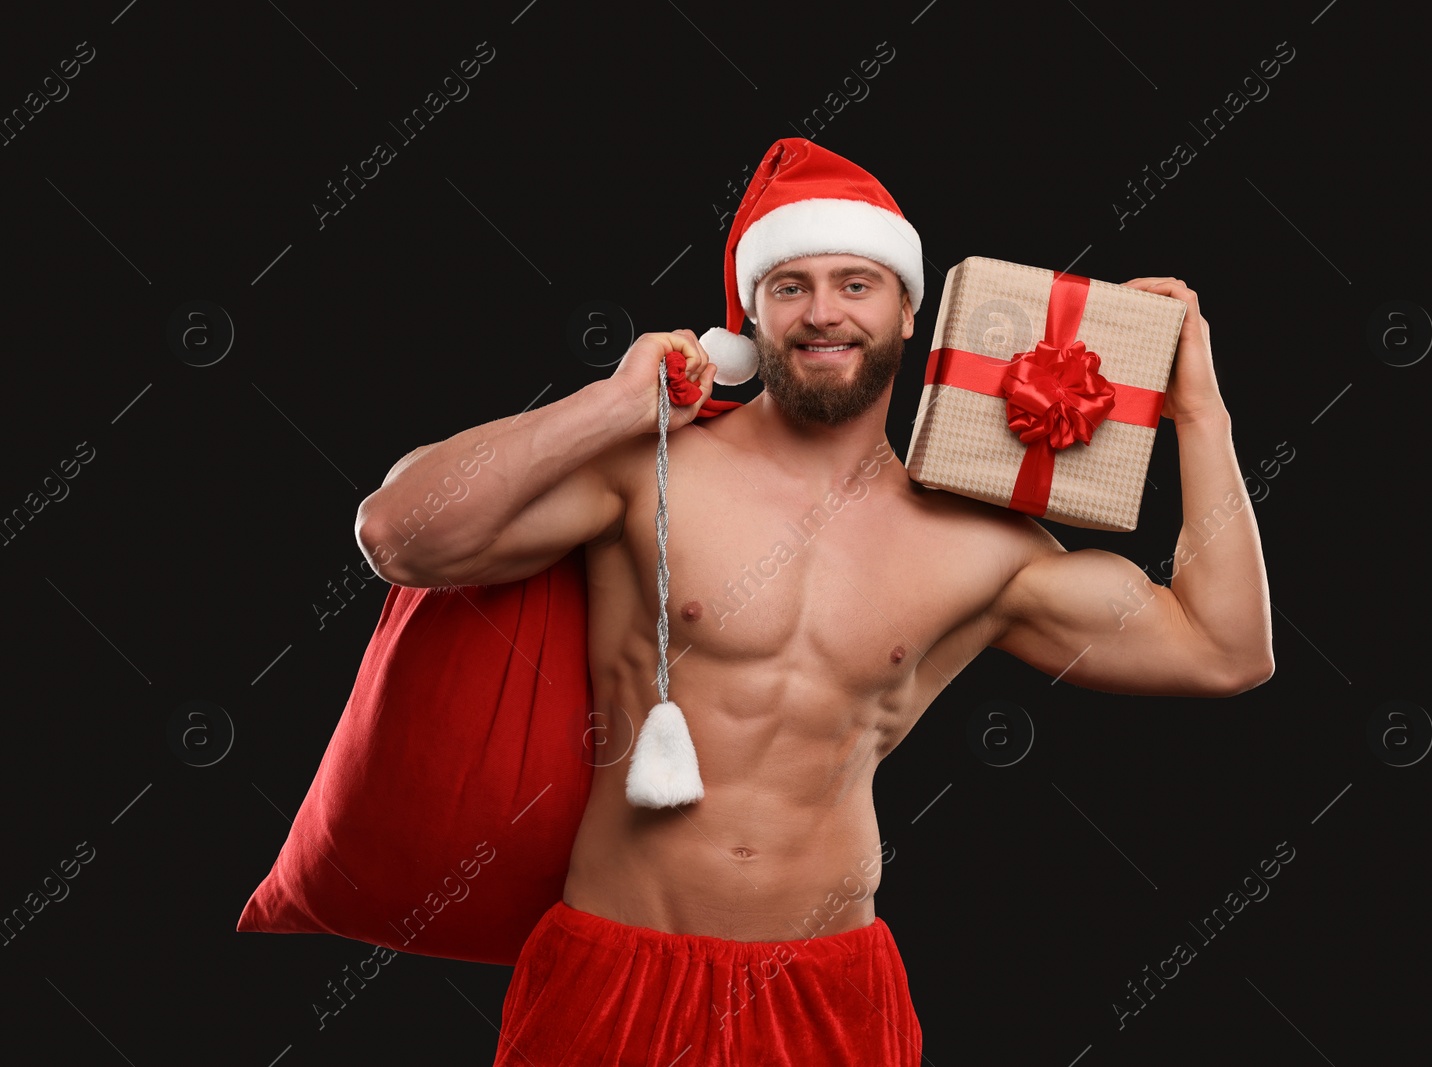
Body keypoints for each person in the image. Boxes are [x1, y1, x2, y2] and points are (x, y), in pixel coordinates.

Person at [355, 137, 1273, 1065]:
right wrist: (611, 406)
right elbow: (400, 534)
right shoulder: (652, 472)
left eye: (856, 283)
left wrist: (1199, 412)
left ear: (911, 311)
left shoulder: (980, 540)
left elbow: (1222, 648)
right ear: (749, 313)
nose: (823, 312)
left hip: (827, 995)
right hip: (619, 968)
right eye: (789, 284)